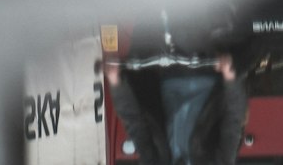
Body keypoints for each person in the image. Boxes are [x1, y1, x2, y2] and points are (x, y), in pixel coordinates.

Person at [104, 55, 248, 165]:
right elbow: (233, 118)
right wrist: (230, 78)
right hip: (209, 69)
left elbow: (134, 123)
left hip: (167, 72)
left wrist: (116, 83)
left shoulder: (155, 161)